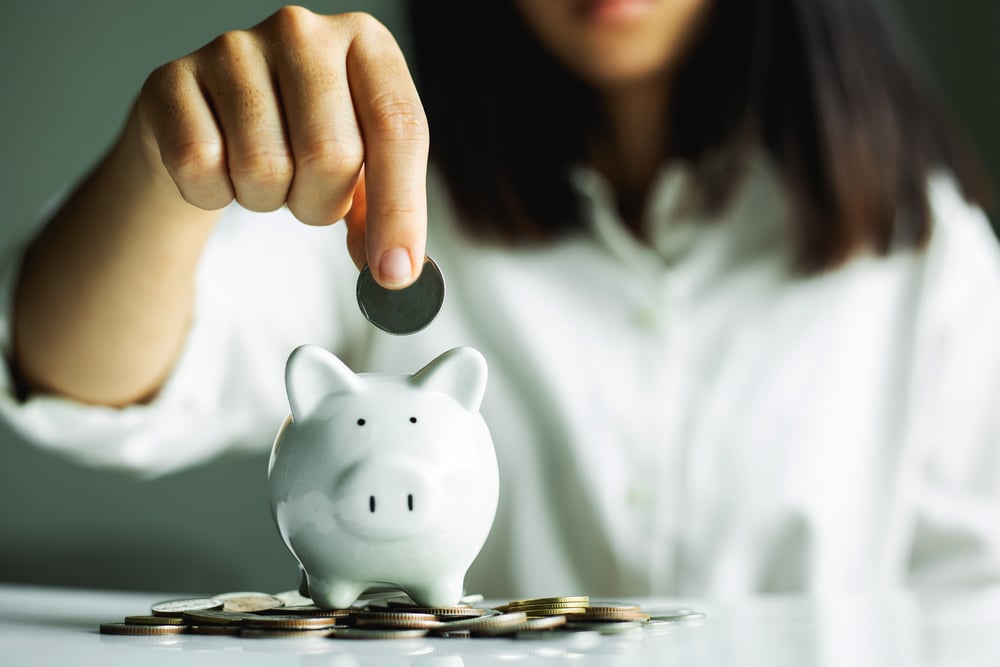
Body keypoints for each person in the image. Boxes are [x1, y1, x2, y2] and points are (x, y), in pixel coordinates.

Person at [2, 0, 999, 598]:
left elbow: (972, 607)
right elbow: (83, 378)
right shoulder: (377, 198)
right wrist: (165, 164)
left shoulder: (931, 256)